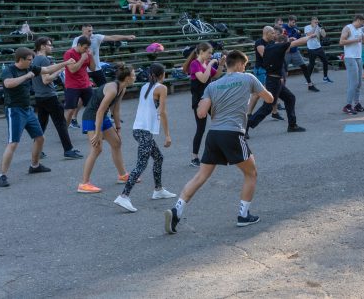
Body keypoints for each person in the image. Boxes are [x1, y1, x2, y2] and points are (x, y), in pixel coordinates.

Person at [164, 50, 274, 234]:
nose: (244, 68)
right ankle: (243, 215)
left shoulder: (213, 85)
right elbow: (269, 98)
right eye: (244, 65)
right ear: (239, 64)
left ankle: (177, 209)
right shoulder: (248, 78)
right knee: (251, 173)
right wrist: (254, 95)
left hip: (214, 134)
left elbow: (201, 113)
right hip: (233, 133)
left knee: (201, 176)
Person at [0, 48, 66, 187]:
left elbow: (46, 69)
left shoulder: (30, 67)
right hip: (14, 110)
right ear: (21, 59)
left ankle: (35, 166)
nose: (31, 62)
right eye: (29, 60)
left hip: (27, 109)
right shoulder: (9, 70)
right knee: (13, 143)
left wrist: (65, 63)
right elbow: (8, 84)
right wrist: (26, 76)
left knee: (40, 138)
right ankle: (2, 176)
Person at [114, 63, 176, 212]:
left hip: (139, 129)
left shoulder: (145, 87)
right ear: (162, 75)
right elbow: (163, 112)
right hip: (144, 131)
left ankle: (158, 190)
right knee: (141, 165)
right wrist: (167, 135)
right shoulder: (162, 88)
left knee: (158, 158)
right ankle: (124, 196)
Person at [77, 64, 136, 193]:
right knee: (96, 149)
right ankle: (84, 183)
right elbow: (99, 111)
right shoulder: (112, 89)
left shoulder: (122, 88)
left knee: (116, 143)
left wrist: (118, 128)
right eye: (133, 74)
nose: (135, 76)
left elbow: (115, 109)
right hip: (91, 117)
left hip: (101, 117)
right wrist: (98, 133)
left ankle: (122, 175)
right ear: (127, 78)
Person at [68, 25, 136, 127]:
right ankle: (73, 119)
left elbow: (112, 37)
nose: (90, 33)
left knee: (109, 91)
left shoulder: (96, 37)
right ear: (83, 30)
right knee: (82, 95)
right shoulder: (77, 40)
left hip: (96, 69)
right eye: (88, 31)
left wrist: (126, 37)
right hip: (83, 70)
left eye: (91, 30)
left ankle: (113, 115)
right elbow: (74, 52)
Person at [248, 26, 310, 133]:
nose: (274, 35)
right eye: (272, 33)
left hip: (275, 79)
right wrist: (309, 36)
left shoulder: (272, 45)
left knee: (290, 98)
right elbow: (297, 43)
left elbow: (279, 47)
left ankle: (292, 125)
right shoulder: (265, 45)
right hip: (271, 79)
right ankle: (245, 127)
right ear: (266, 33)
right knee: (267, 107)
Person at [31, 37, 82, 160]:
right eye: (49, 45)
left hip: (39, 97)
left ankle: (37, 151)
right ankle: (68, 150)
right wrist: (60, 70)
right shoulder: (43, 59)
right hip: (48, 96)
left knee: (41, 125)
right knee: (61, 123)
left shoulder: (34, 59)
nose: (51, 47)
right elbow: (46, 80)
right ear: (42, 46)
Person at [184, 42, 225, 168]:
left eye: (211, 53)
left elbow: (216, 75)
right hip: (199, 101)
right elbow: (203, 78)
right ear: (201, 52)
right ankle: (194, 157)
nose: (210, 55)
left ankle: (220, 151)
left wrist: (221, 65)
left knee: (220, 122)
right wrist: (211, 64)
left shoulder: (206, 64)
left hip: (209, 99)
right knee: (200, 129)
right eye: (209, 52)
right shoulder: (194, 64)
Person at [62, 36, 96, 129]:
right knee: (70, 110)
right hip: (72, 85)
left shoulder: (86, 53)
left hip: (85, 84)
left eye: (88, 48)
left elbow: (92, 68)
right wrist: (82, 59)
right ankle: (64, 131)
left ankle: (90, 129)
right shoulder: (69, 54)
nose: (87, 50)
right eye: (85, 47)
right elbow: (72, 70)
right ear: (79, 45)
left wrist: (91, 56)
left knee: (92, 108)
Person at [340, 15, 364, 114]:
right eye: (363, 22)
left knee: (359, 83)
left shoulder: (360, 29)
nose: (363, 24)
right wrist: (355, 40)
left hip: (358, 57)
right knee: (353, 83)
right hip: (350, 57)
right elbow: (341, 41)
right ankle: (347, 106)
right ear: (358, 20)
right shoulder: (348, 28)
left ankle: (357, 104)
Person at [282, 16, 319, 92]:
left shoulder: (296, 28)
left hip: (295, 51)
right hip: (286, 52)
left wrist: (298, 34)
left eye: (295, 22)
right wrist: (290, 37)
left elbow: (299, 39)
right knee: (284, 71)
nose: (294, 23)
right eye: (293, 22)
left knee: (304, 66)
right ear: (289, 20)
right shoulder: (284, 27)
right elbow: (282, 38)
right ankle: (282, 89)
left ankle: (310, 85)